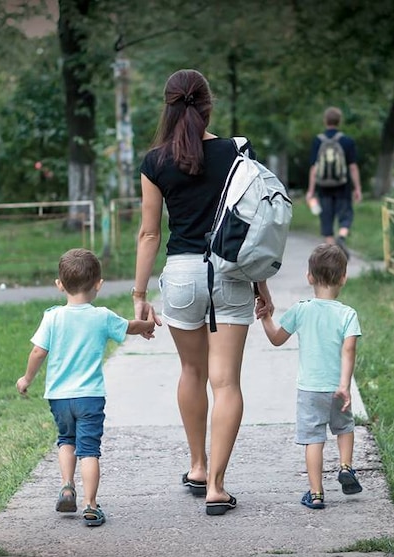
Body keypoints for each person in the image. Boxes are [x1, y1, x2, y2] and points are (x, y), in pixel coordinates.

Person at [132, 69, 274, 516]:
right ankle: (216, 487)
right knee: (226, 381)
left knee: (191, 373)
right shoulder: (237, 152)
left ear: (168, 106)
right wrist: (261, 284)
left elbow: (149, 235)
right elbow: (255, 225)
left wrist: (139, 294)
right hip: (230, 274)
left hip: (181, 276)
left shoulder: (154, 162)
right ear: (209, 105)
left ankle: (197, 465)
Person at [15, 248, 156, 527]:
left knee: (66, 441)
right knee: (89, 450)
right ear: (98, 285)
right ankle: (91, 506)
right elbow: (130, 326)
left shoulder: (53, 317)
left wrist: (27, 379)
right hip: (90, 397)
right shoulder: (102, 316)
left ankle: (67, 486)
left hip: (59, 397)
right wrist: (148, 325)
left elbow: (37, 352)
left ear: (59, 285)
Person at [256, 243, 363, 510]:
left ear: (309, 277)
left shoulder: (301, 309)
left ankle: (316, 494)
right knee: (344, 427)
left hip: (310, 390)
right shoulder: (347, 314)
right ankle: (346, 466)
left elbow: (277, 339)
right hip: (337, 388)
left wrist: (266, 317)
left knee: (314, 439)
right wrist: (345, 385)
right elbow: (349, 349)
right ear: (343, 278)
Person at [305, 106, 363, 257]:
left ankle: (333, 257)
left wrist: (311, 191)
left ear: (325, 121)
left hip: (323, 188)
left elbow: (314, 168)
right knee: (346, 216)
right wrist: (357, 188)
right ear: (339, 121)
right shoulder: (347, 141)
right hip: (343, 187)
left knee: (326, 221)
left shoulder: (318, 141)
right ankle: (342, 237)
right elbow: (353, 167)